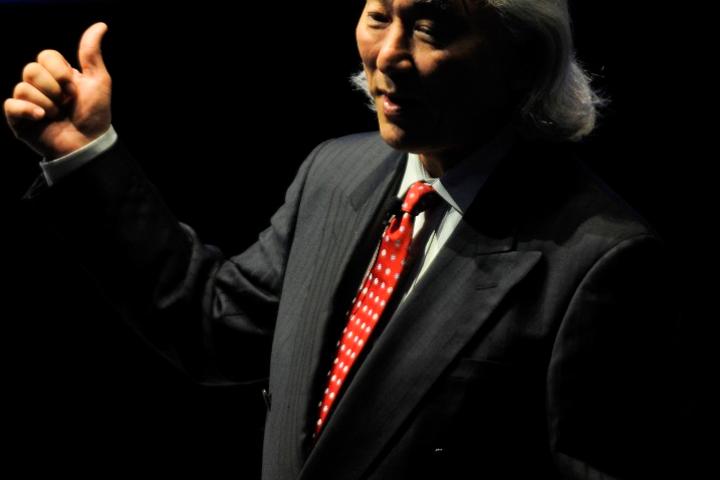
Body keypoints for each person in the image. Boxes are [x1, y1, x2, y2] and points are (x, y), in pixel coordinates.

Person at [5, 1, 684, 478]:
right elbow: (216, 328)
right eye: (378, 15)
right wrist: (85, 153)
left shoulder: (602, 261)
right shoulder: (335, 172)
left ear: (523, 57)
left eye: (432, 26)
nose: (389, 55)